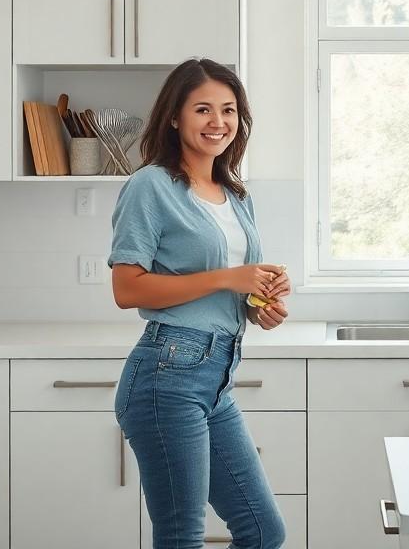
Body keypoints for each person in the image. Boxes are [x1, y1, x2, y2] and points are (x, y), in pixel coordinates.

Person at [109, 57, 289, 549]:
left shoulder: (235, 194)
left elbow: (231, 292)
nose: (218, 122)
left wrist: (260, 307)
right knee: (182, 535)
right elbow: (128, 289)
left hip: (216, 377)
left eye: (228, 110)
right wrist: (228, 277)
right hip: (166, 375)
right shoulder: (151, 186)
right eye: (203, 110)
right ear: (174, 117)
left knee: (263, 531)